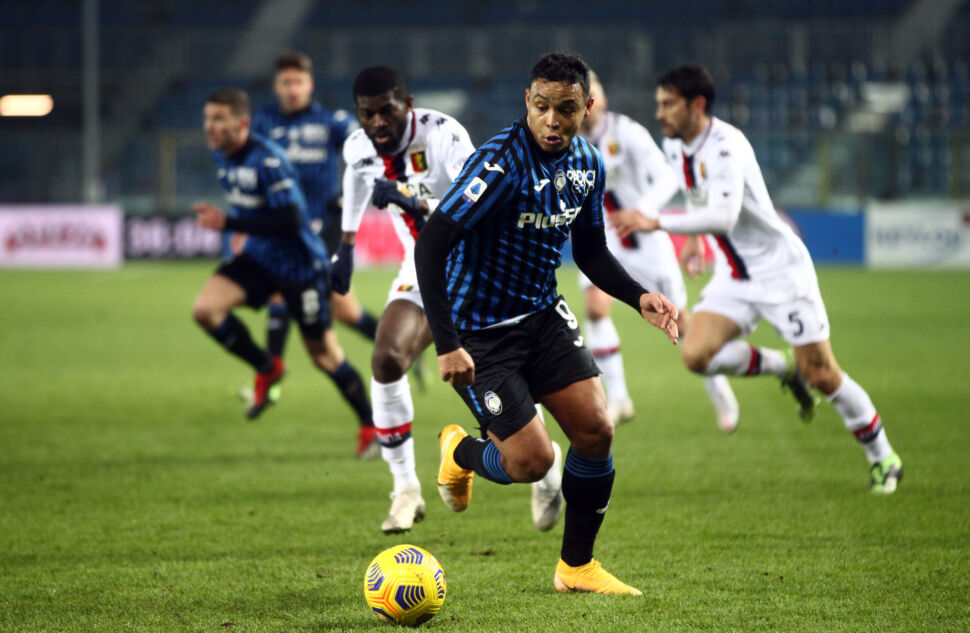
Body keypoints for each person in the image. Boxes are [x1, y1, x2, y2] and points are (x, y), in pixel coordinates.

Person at [414, 53, 680, 595]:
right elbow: (432, 244)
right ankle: (460, 451)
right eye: (541, 107)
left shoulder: (587, 162)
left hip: (542, 314)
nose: (552, 121)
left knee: (596, 431)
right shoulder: (497, 166)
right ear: (527, 104)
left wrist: (639, 297)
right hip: (480, 331)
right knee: (531, 462)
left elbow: (591, 251)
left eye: (565, 109)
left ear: (588, 107)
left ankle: (576, 568)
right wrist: (446, 344)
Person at [610, 65, 903, 493]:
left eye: (668, 104)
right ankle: (782, 365)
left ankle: (883, 456)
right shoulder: (676, 146)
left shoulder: (727, 146)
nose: (660, 113)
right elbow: (701, 202)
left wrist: (655, 221)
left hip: (781, 273)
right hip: (735, 274)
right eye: (658, 104)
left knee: (822, 373)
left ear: (698, 105)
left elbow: (725, 215)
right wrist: (693, 240)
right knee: (695, 353)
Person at [335, 66, 565, 535]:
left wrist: (408, 200)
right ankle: (405, 490)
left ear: (408, 104)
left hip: (483, 269)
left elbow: (478, 210)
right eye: (367, 114)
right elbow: (356, 182)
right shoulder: (357, 147)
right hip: (423, 270)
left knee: (511, 377)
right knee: (386, 358)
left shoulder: (444, 136)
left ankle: (547, 464)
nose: (377, 122)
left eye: (387, 111)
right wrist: (345, 244)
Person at [191, 88, 375, 447]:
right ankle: (267, 366)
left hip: (300, 268)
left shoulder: (267, 160)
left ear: (242, 123)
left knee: (324, 355)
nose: (209, 127)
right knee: (205, 310)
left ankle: (371, 426)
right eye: (207, 118)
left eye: (218, 119)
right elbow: (251, 207)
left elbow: (291, 221)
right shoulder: (222, 154)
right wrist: (241, 229)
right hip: (260, 258)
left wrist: (230, 225)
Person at [578, 71, 740, 432]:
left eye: (593, 96)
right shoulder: (566, 141)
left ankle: (719, 390)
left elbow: (668, 177)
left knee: (680, 324)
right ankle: (619, 398)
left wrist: (645, 211)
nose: (586, 106)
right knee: (594, 307)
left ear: (602, 101)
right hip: (603, 239)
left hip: (647, 241)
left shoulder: (627, 133)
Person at [246, 51, 381, 456]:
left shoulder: (333, 123)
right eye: (284, 83)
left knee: (309, 326)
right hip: (279, 234)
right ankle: (396, 355)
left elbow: (365, 153)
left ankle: (269, 369)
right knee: (343, 315)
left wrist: (362, 189)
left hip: (321, 232)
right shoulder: (264, 124)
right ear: (277, 87)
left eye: (297, 82)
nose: (291, 89)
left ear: (310, 85)